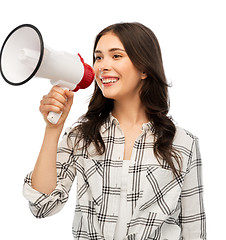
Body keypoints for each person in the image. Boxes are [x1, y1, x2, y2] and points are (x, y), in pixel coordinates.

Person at [23, 22, 206, 240]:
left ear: (145, 69)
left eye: (116, 56)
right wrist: (53, 129)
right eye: (98, 57)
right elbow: (43, 205)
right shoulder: (81, 138)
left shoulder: (183, 143)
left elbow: (194, 228)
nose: (102, 66)